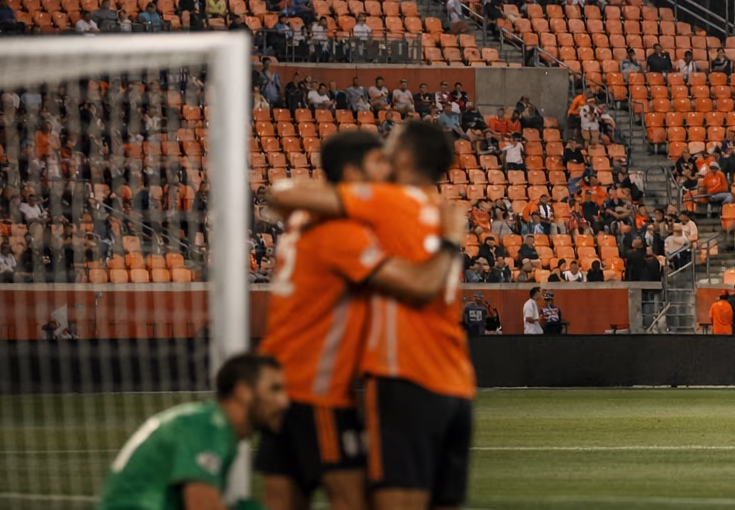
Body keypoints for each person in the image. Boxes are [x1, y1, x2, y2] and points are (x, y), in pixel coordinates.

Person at [268, 120, 475, 510]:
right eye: (376, 157)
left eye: (388, 150)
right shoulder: (441, 210)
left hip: (404, 376)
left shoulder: (385, 203)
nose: (384, 159)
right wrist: (450, 243)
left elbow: (283, 194)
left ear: (406, 156)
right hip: (456, 382)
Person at [98, 352, 289, 510]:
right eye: (274, 389)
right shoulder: (208, 428)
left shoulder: (209, 424)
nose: (284, 402)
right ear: (242, 392)